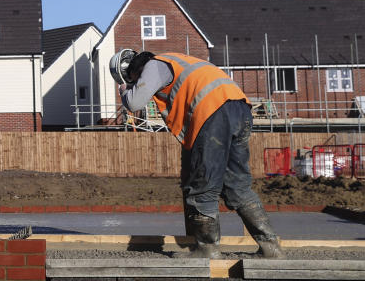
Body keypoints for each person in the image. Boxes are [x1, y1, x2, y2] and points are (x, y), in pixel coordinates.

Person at [110, 49, 282, 259]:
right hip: (239, 108)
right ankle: (271, 247)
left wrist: (124, 91)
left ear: (131, 72)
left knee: (202, 184)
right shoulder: (178, 60)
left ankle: (207, 249)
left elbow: (135, 102)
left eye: (133, 80)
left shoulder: (154, 66)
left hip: (212, 112)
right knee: (237, 186)